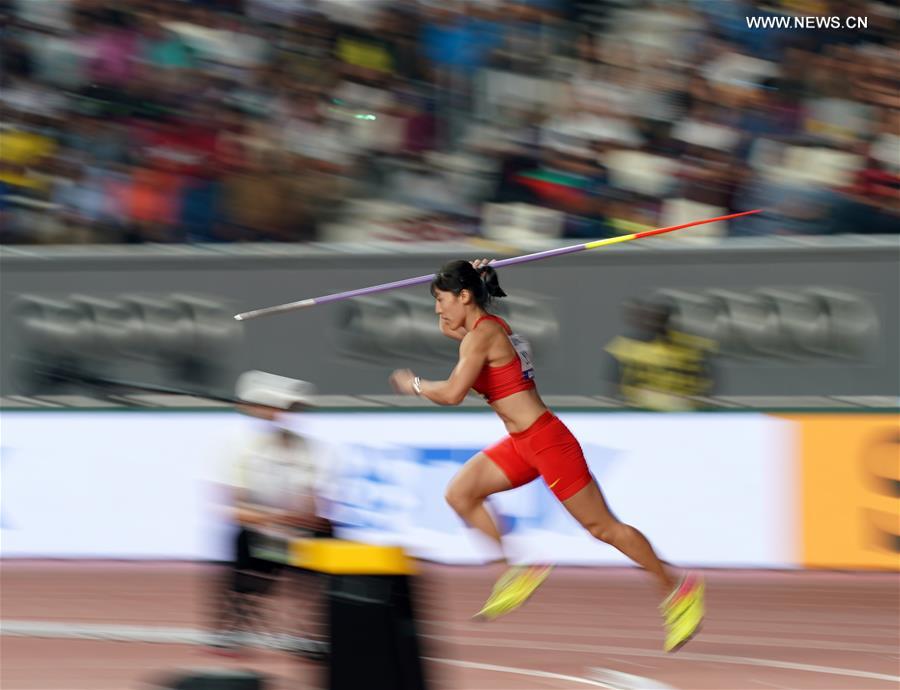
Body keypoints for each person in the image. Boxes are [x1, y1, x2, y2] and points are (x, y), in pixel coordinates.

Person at [389, 259, 704, 652]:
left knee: (603, 528)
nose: (438, 309)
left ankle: (678, 588)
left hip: (547, 442)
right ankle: (514, 572)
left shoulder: (482, 337)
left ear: (464, 296)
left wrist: (414, 384)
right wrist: (471, 278)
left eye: (441, 299)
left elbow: (452, 394)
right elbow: (450, 326)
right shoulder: (483, 330)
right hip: (522, 443)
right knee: (460, 493)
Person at [212, 370, 332, 654]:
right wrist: (273, 520)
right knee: (242, 541)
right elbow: (234, 509)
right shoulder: (238, 446)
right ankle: (235, 626)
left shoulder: (306, 447)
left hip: (298, 537)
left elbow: (314, 504)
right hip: (258, 537)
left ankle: (319, 632)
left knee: (333, 539)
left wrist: (302, 520)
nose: (285, 415)